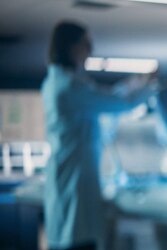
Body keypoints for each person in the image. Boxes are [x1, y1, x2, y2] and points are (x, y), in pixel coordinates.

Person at [41, 21, 156, 250]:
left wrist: (134, 84)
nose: (91, 50)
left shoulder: (58, 83)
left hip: (69, 183)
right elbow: (121, 103)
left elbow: (103, 97)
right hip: (75, 188)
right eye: (86, 44)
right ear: (71, 47)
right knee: (77, 239)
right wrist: (151, 85)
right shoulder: (69, 87)